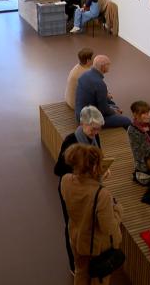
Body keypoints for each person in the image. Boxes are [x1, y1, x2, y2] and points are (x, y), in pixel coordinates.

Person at [61, 144, 123, 285]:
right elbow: (108, 228)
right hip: (96, 247)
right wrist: (118, 209)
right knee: (99, 280)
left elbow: (83, 195)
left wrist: (97, 180)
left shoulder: (65, 180)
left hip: (76, 238)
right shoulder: (102, 194)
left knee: (80, 272)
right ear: (95, 167)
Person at [54, 106, 104, 274]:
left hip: (88, 189)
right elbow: (58, 170)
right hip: (72, 191)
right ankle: (74, 265)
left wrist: (101, 169)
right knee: (72, 226)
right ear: (82, 123)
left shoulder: (95, 137)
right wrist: (84, 171)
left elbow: (98, 158)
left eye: (98, 129)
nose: (96, 132)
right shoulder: (71, 141)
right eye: (93, 128)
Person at [75, 55, 131, 129]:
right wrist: (114, 112)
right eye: (108, 65)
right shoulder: (99, 83)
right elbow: (103, 110)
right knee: (127, 121)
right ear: (103, 67)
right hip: (88, 120)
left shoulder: (85, 75)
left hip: (80, 113)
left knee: (111, 103)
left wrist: (112, 107)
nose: (110, 66)